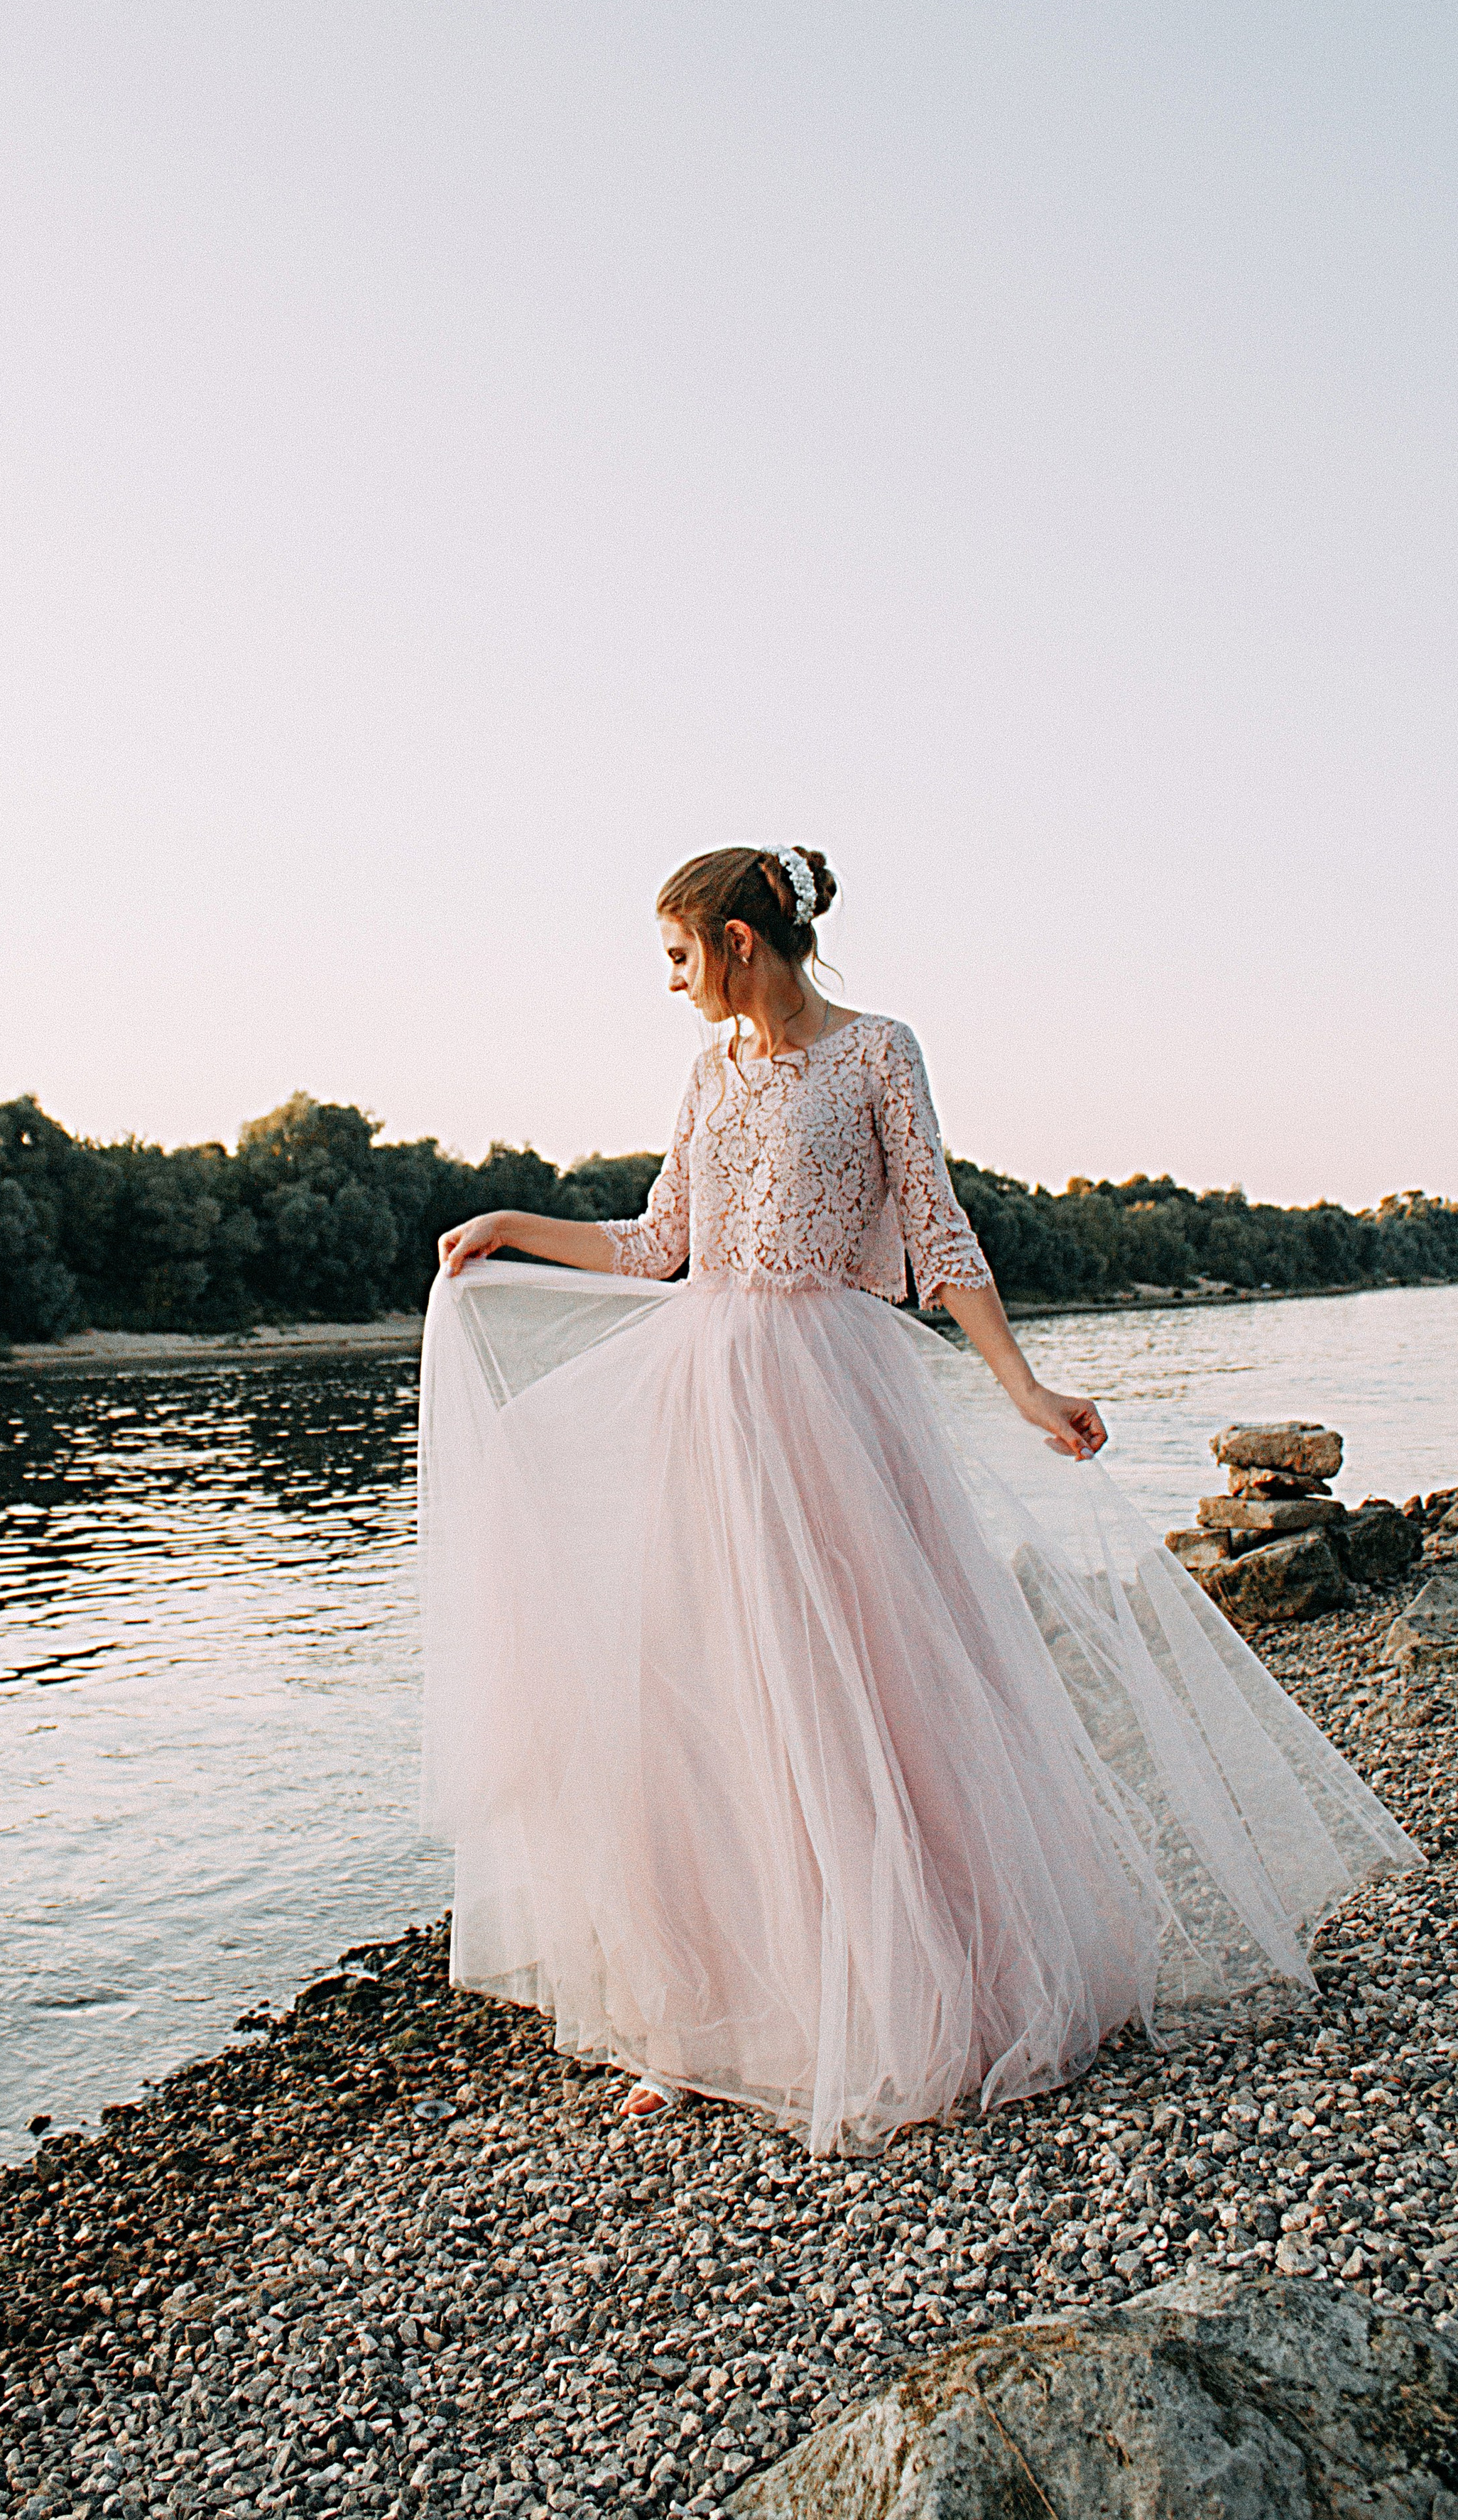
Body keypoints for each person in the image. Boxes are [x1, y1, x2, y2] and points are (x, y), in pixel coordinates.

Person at [418, 843, 1418, 2148]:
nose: (669, 983)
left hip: (828, 1405)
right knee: (712, 1697)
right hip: (705, 1413)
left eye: (676, 956)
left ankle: (910, 2000)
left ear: (736, 942)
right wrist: (511, 1227)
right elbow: (660, 1245)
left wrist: (1025, 1388)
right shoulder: (707, 1073)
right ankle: (713, 2018)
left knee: (866, 1693)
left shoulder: (880, 1052)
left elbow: (941, 1238)